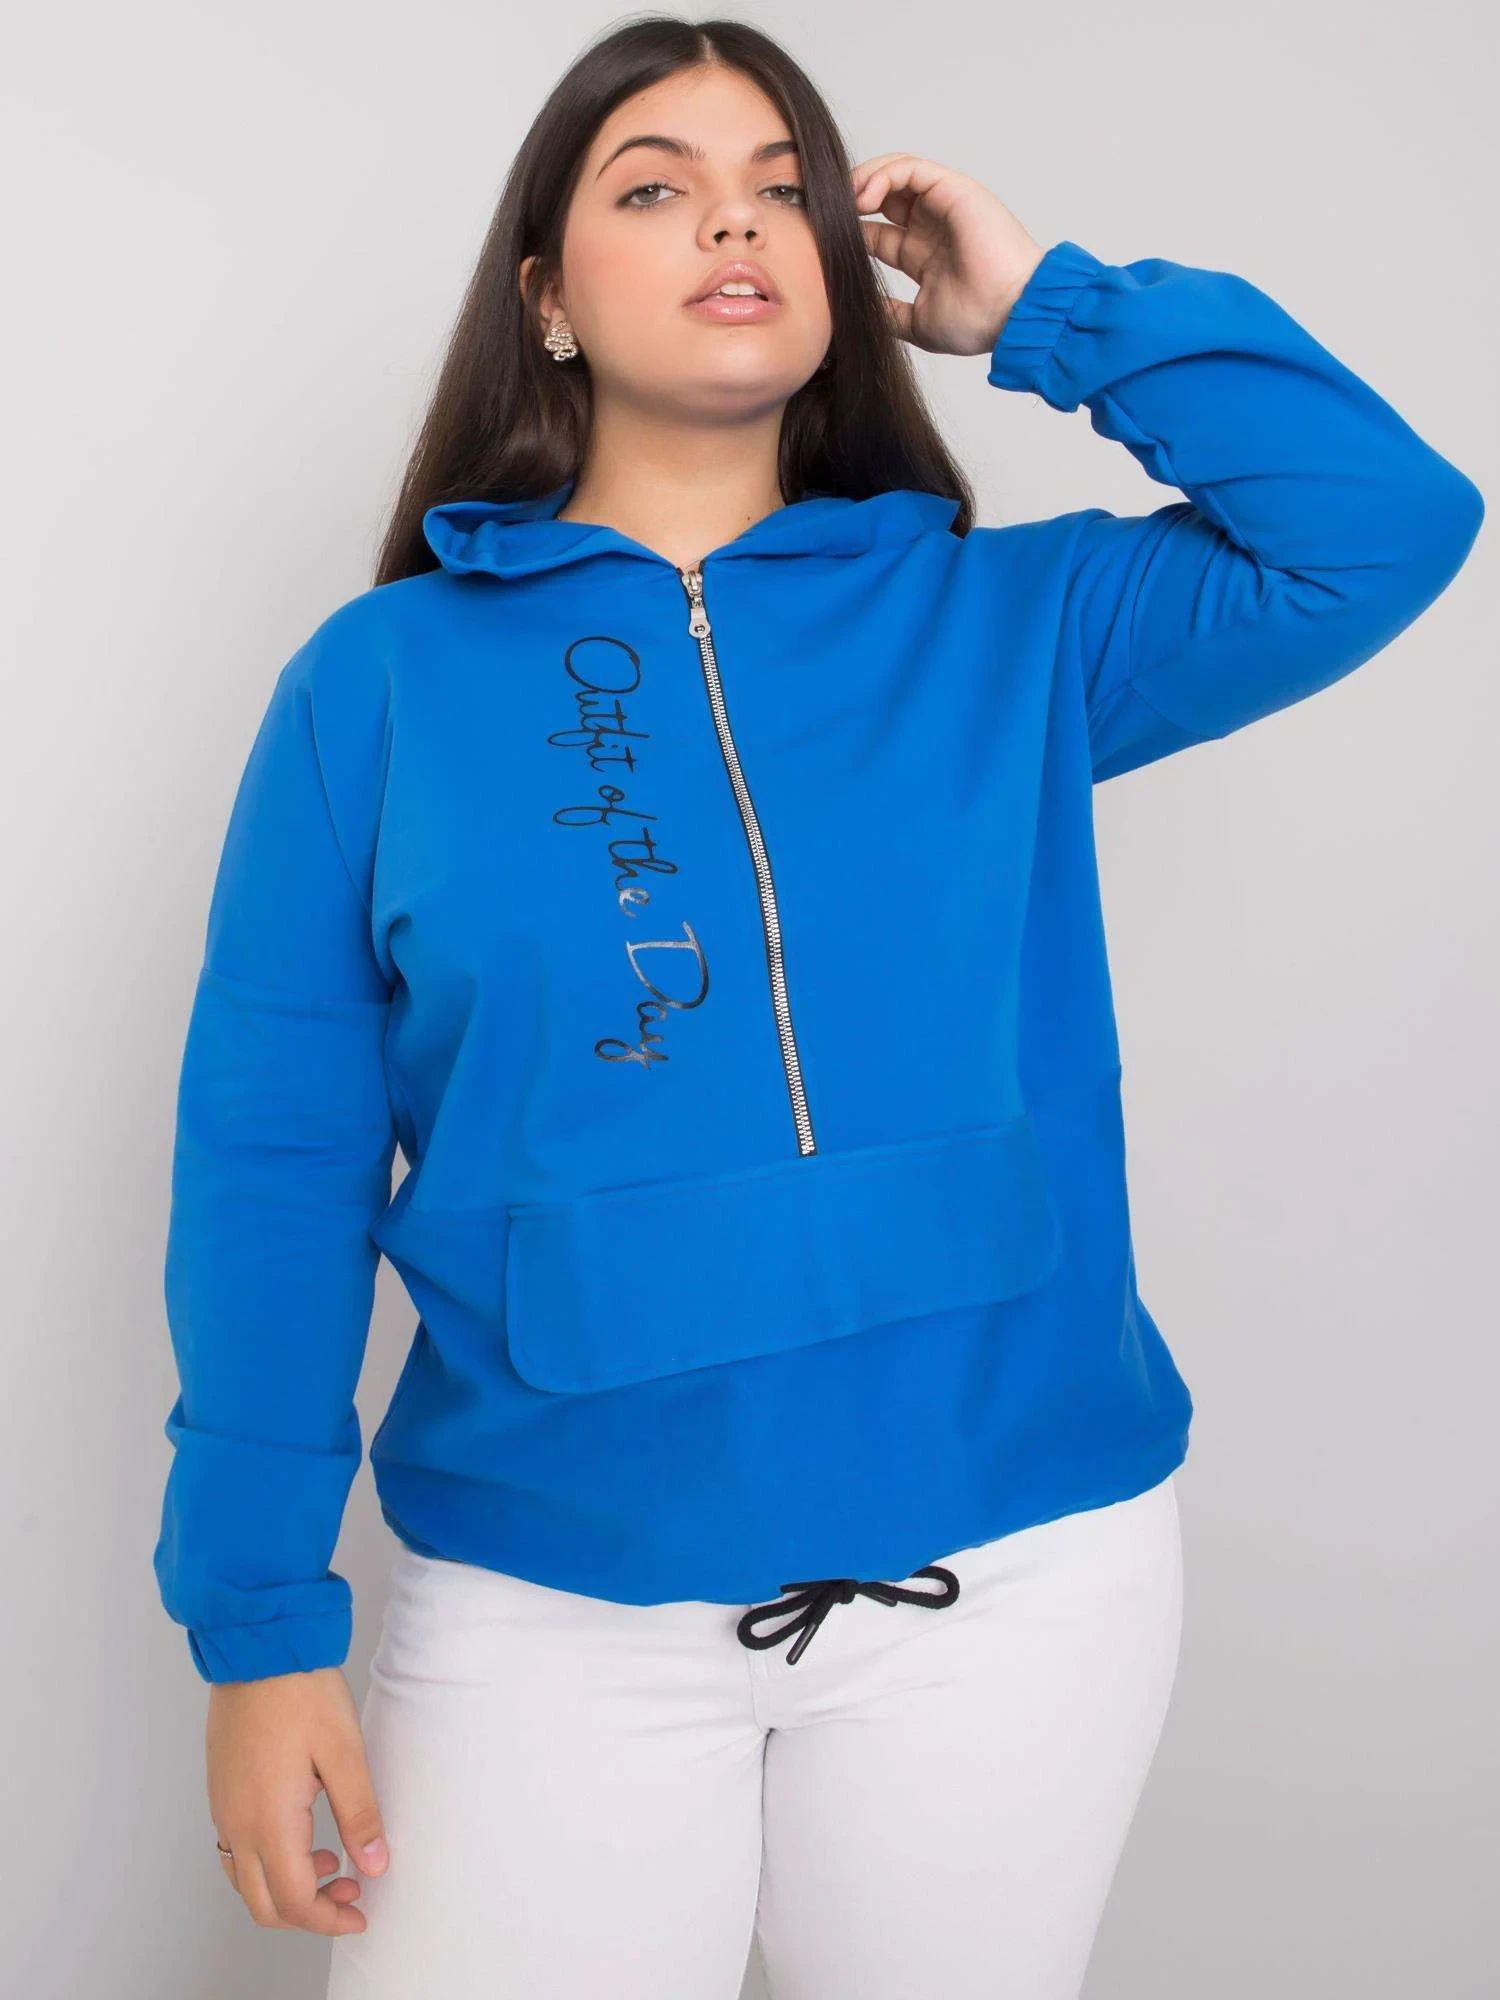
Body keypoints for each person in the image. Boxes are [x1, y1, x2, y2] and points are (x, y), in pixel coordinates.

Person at [151, 15, 1483, 2000]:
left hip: (1017, 1581)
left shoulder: (1015, 625)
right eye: (658, 187)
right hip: (549, 1607)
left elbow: (1384, 521)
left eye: (782, 187)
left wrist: (1047, 310)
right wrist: (259, 1627)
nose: (736, 222)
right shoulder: (383, 682)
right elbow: (272, 1166)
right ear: (547, 294)